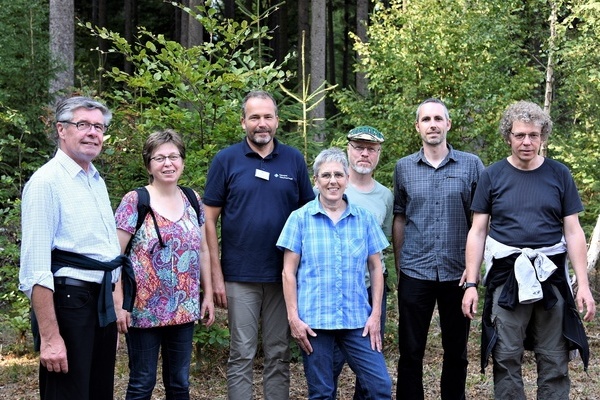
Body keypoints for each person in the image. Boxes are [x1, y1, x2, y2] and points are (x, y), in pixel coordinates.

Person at [461, 100, 596, 399]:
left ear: (543, 136)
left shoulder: (559, 174)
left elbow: (573, 231)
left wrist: (583, 285)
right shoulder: (492, 176)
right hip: (506, 277)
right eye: (520, 135)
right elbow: (478, 231)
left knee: (554, 357)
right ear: (508, 135)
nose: (527, 142)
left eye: (533, 135)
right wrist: (471, 283)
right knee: (506, 356)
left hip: (551, 278)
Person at [203, 90, 315, 399]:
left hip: (284, 276)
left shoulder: (293, 159)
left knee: (279, 352)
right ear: (243, 123)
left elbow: (310, 216)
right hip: (240, 275)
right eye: (254, 117)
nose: (261, 123)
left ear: (277, 121)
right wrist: (215, 275)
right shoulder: (226, 160)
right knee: (242, 353)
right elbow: (208, 219)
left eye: (267, 116)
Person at [19, 96, 132, 400]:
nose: (93, 132)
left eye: (99, 126)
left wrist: (114, 307)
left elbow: (108, 253)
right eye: (83, 124)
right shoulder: (46, 183)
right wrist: (51, 337)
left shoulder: (95, 180)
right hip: (69, 302)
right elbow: (35, 269)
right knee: (68, 394)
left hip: (100, 303)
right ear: (61, 129)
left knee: (98, 393)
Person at [277, 147, 392, 400]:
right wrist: (293, 318)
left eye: (339, 175)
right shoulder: (300, 219)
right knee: (322, 393)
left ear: (347, 179)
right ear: (316, 180)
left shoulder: (364, 219)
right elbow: (288, 272)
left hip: (357, 321)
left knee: (380, 387)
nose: (333, 181)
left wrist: (375, 314)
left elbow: (376, 266)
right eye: (326, 175)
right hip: (315, 323)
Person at [393, 98, 484, 400]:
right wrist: (400, 264)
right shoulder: (403, 167)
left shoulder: (471, 165)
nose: (432, 124)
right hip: (414, 270)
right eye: (426, 119)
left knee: (456, 352)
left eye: (438, 119)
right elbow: (400, 216)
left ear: (448, 124)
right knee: (410, 351)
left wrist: (474, 273)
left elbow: (481, 223)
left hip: (457, 272)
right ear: (417, 126)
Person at [113, 129, 215, 399]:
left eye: (173, 156)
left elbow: (203, 249)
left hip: (184, 309)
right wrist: (118, 303)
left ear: (182, 161)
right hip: (142, 311)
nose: (168, 163)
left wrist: (207, 296)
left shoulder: (193, 199)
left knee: (179, 384)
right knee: (141, 383)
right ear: (148, 164)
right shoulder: (135, 201)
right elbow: (115, 256)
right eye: (160, 158)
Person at [332, 126, 393, 399]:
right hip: (332, 291)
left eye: (371, 149)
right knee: (330, 364)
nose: (364, 154)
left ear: (378, 154)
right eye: (358, 147)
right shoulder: (329, 187)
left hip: (370, 291)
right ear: (348, 150)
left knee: (369, 365)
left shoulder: (385, 197)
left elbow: (383, 246)